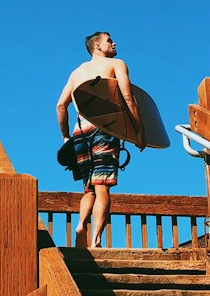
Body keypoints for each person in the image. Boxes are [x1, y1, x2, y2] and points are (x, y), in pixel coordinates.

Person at [56, 32, 145, 249]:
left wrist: (66, 136)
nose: (114, 43)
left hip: (80, 130)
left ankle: (81, 225)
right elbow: (127, 97)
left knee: (88, 189)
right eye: (109, 40)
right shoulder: (116, 63)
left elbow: (60, 106)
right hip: (104, 127)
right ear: (97, 45)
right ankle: (96, 240)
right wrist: (139, 132)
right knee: (102, 186)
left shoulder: (76, 73)